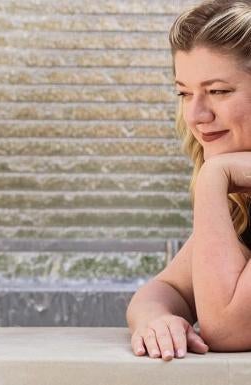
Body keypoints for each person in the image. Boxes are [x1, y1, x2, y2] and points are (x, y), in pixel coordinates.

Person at [126, 0, 251, 361]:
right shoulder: (242, 197)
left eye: (218, 91)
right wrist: (157, 319)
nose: (196, 115)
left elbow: (227, 329)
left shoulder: (221, 174)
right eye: (184, 93)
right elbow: (167, 288)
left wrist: (213, 176)